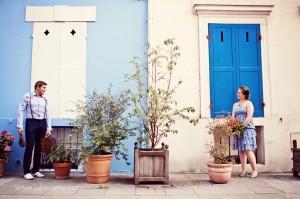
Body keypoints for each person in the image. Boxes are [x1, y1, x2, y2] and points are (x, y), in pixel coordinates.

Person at [17, 81, 51, 180]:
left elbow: (48, 113)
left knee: (39, 147)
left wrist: (49, 127)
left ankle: (35, 170)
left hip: (42, 123)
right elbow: (20, 109)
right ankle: (26, 171)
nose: (45, 90)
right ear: (37, 87)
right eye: (43, 87)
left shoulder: (45, 99)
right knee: (30, 147)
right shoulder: (27, 96)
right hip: (31, 123)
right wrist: (19, 125)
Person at [232, 86, 258, 178]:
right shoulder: (235, 105)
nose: (237, 94)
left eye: (239, 93)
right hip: (238, 130)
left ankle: (254, 170)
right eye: (237, 92)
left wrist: (241, 127)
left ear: (244, 94)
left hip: (247, 129)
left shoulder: (249, 104)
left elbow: (249, 117)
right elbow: (233, 118)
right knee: (241, 151)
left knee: (247, 149)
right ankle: (243, 170)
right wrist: (234, 128)